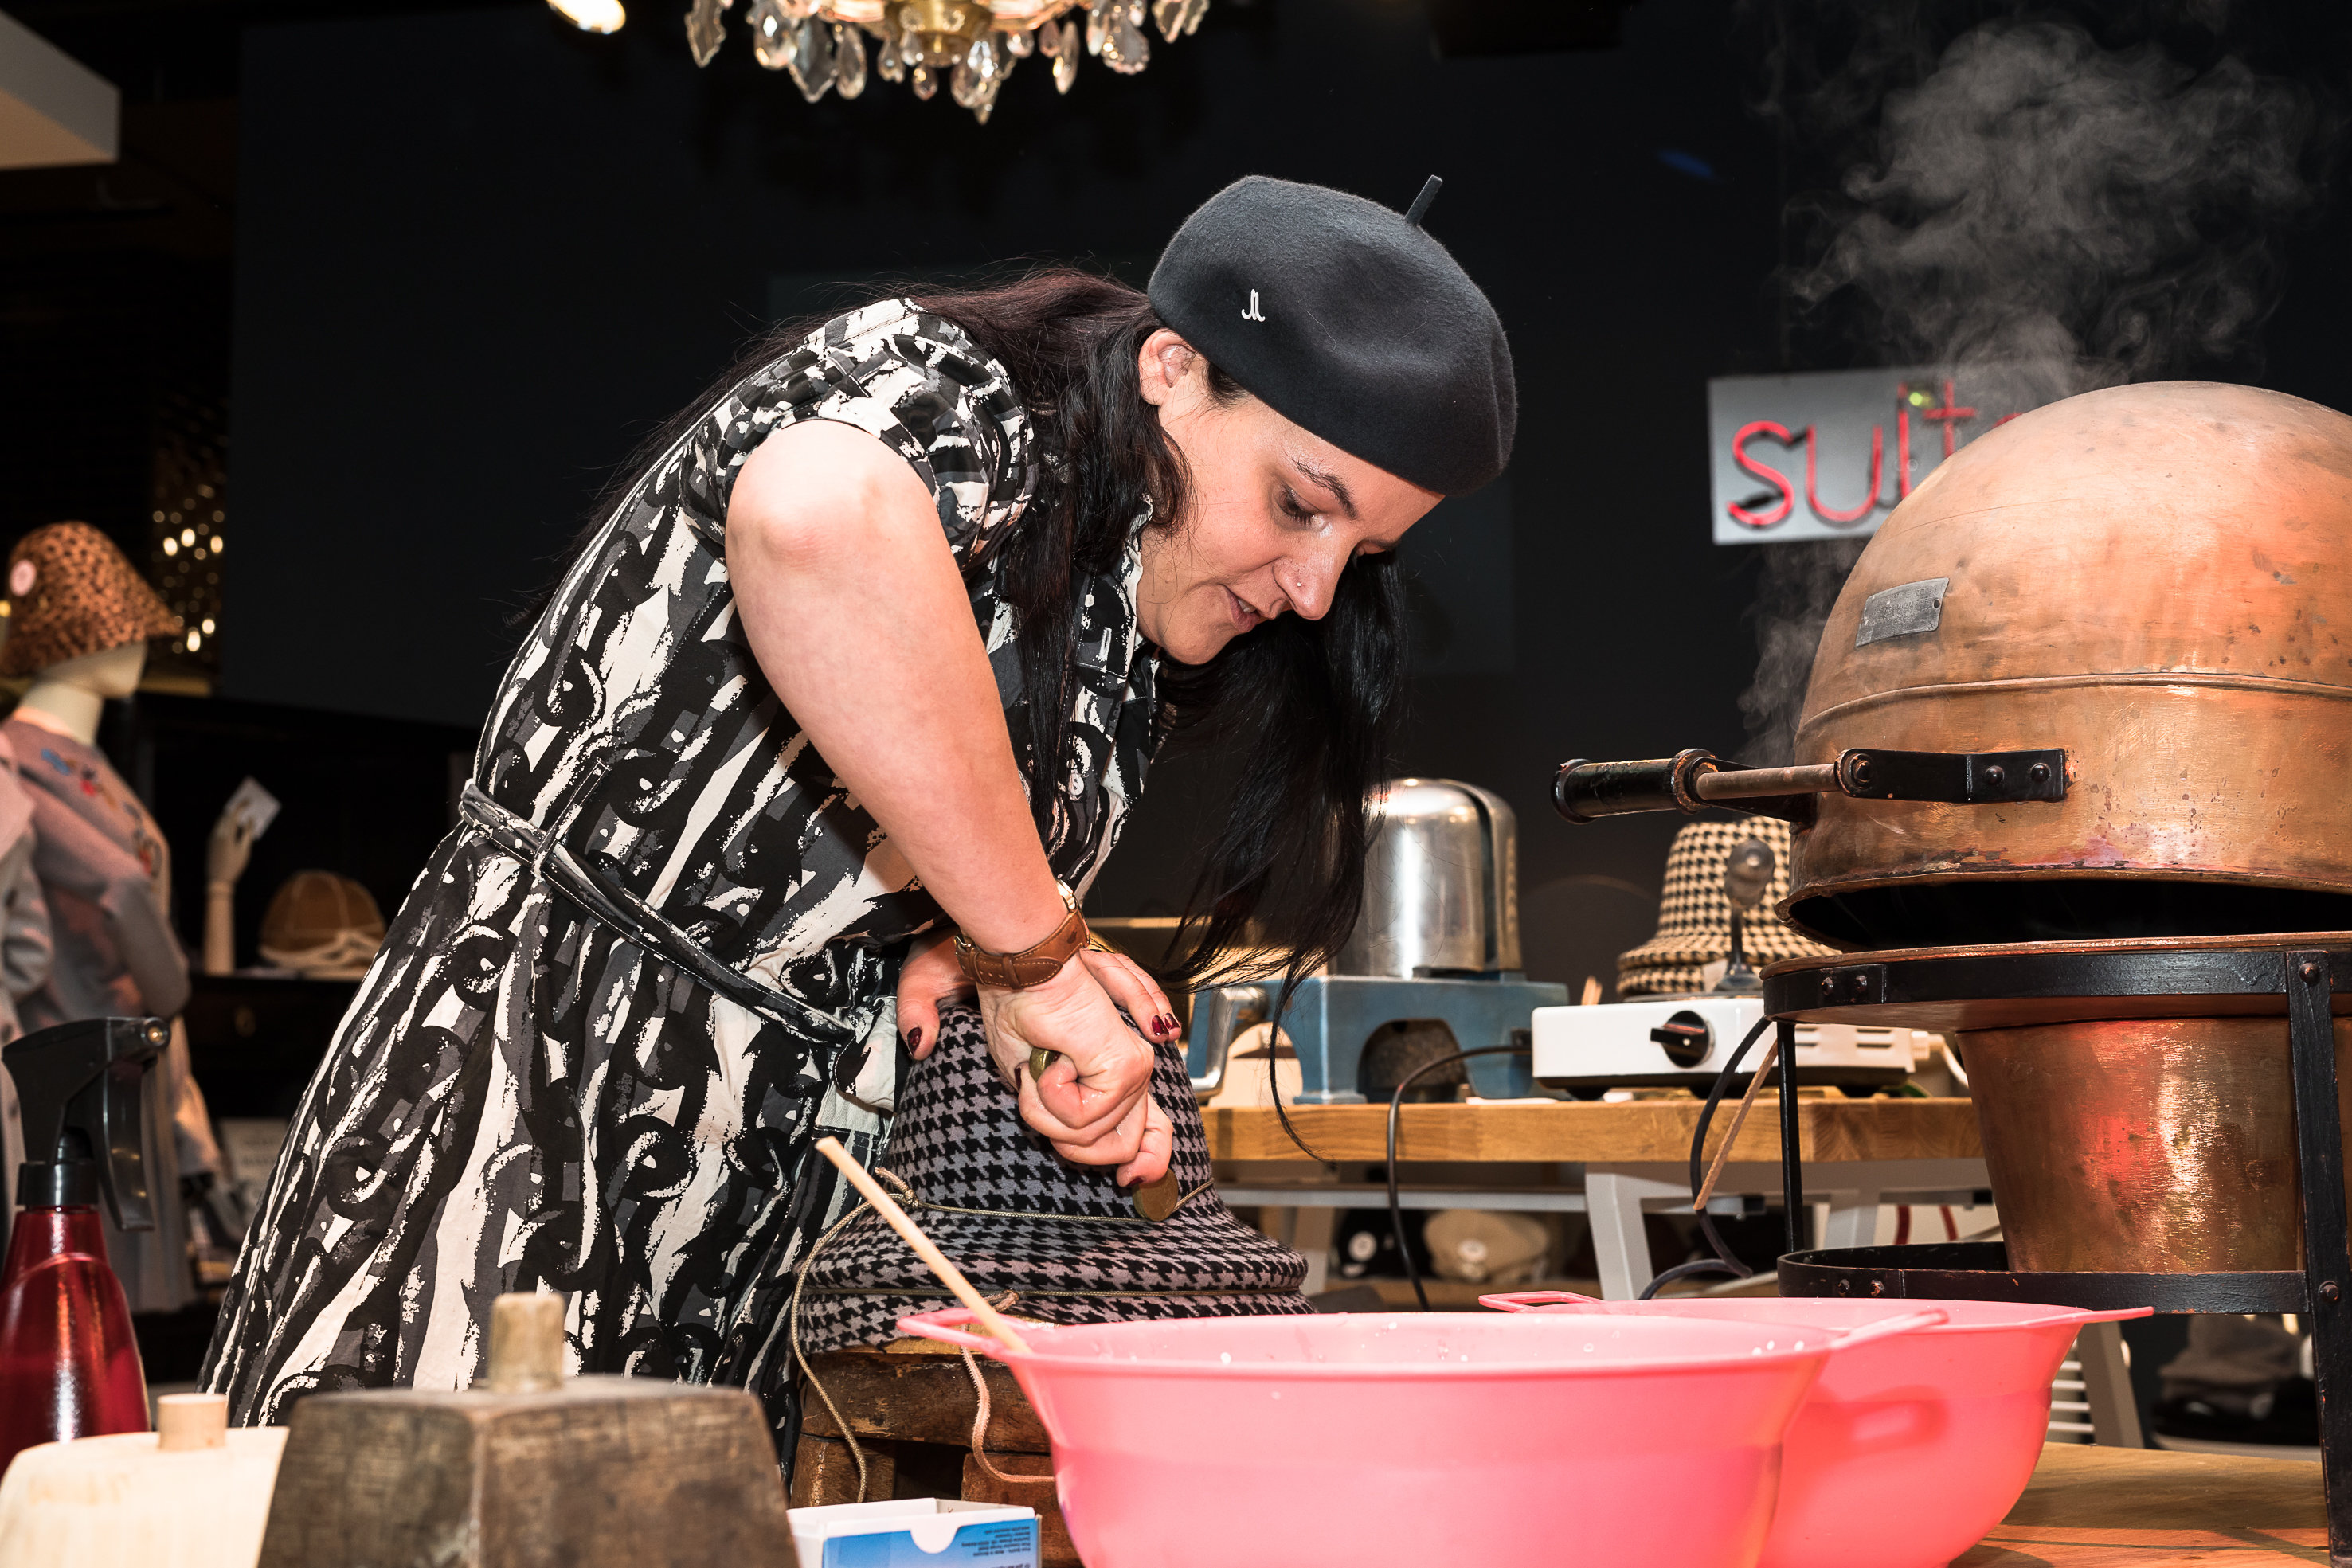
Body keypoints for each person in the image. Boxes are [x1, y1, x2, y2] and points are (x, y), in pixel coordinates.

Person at [202, 174, 1516, 1431]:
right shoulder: (956, 390)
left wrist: (943, 937)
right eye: (1299, 504)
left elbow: (865, 796)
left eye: (1368, 552)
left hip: (777, 1204)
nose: (1313, 589)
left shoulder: (1127, 588)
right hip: (530, 1103)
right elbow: (817, 521)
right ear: (1172, 364)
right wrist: (1031, 948)